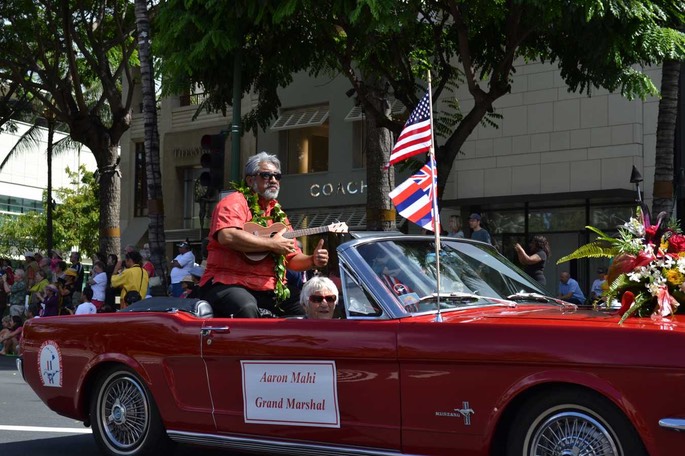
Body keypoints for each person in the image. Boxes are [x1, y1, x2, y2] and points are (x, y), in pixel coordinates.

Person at [199, 151, 328, 318]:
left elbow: (292, 258)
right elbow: (227, 235)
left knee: (305, 306)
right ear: (250, 179)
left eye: (277, 176)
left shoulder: (278, 213)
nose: (273, 180)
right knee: (246, 306)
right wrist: (272, 244)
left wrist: (312, 260)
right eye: (266, 175)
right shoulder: (233, 203)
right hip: (227, 282)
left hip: (268, 287)